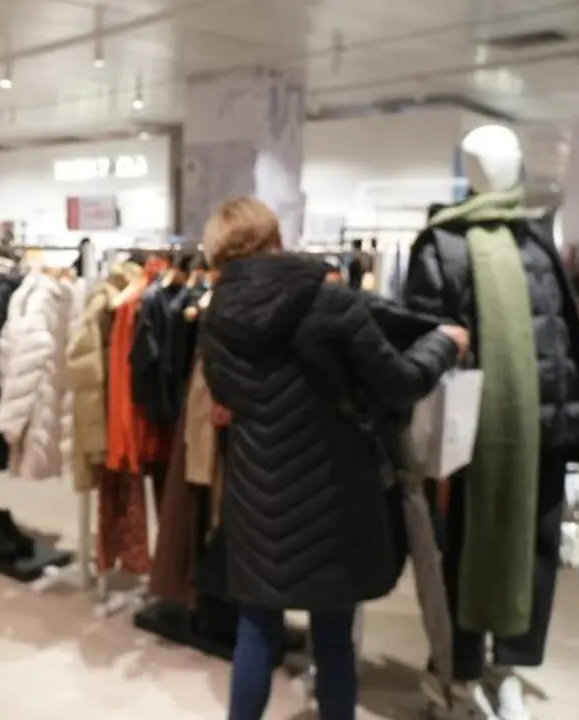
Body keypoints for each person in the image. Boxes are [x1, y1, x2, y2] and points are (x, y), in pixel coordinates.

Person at [197, 198, 468, 720]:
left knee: (256, 629)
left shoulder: (217, 315)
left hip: (257, 496)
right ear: (276, 238)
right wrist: (443, 345)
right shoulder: (332, 302)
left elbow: (224, 394)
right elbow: (399, 383)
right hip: (333, 494)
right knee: (335, 639)